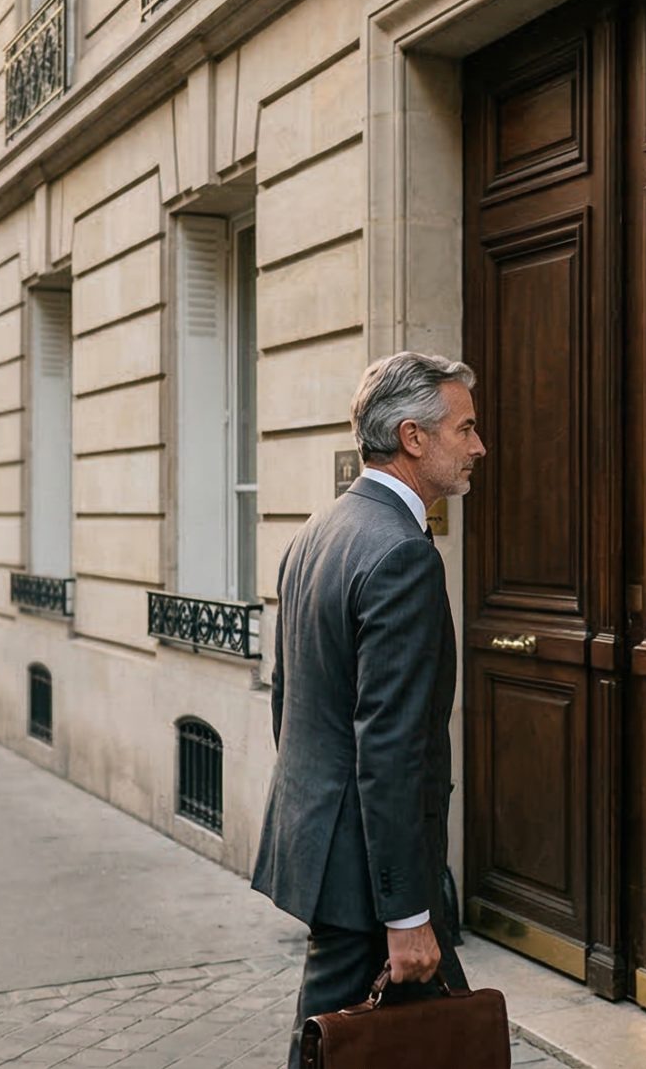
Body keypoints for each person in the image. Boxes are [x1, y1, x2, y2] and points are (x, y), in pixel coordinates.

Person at [253, 351, 485, 1065]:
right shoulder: (400, 554)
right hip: (369, 878)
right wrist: (406, 914)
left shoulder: (318, 530)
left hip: (336, 853)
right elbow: (389, 747)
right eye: (465, 428)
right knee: (341, 1047)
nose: (478, 446)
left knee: (433, 1038)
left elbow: (290, 699)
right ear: (413, 437)